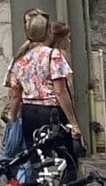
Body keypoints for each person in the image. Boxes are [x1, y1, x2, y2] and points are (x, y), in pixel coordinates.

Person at [5, 9, 82, 166]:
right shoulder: (52, 55)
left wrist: (12, 119)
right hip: (50, 112)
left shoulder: (21, 58)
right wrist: (73, 122)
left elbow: (15, 95)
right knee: (64, 158)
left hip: (29, 112)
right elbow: (60, 92)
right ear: (48, 32)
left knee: (35, 158)